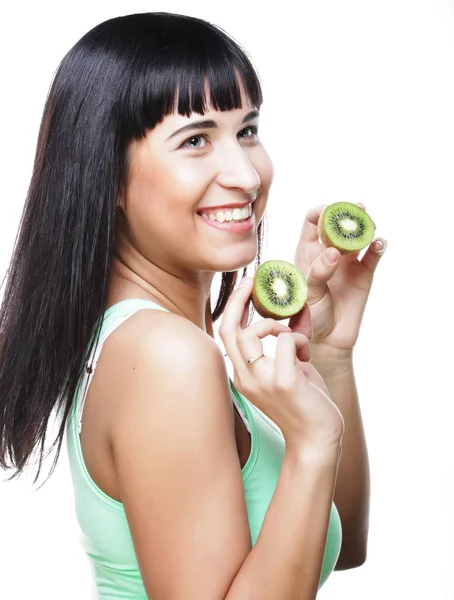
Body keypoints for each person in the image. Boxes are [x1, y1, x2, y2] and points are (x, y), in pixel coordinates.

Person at [0, 11, 386, 600]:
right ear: (112, 179)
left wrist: (330, 354)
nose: (245, 174)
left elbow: (343, 545)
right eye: (197, 140)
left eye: (248, 130)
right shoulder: (166, 356)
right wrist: (309, 443)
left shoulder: (161, 341)